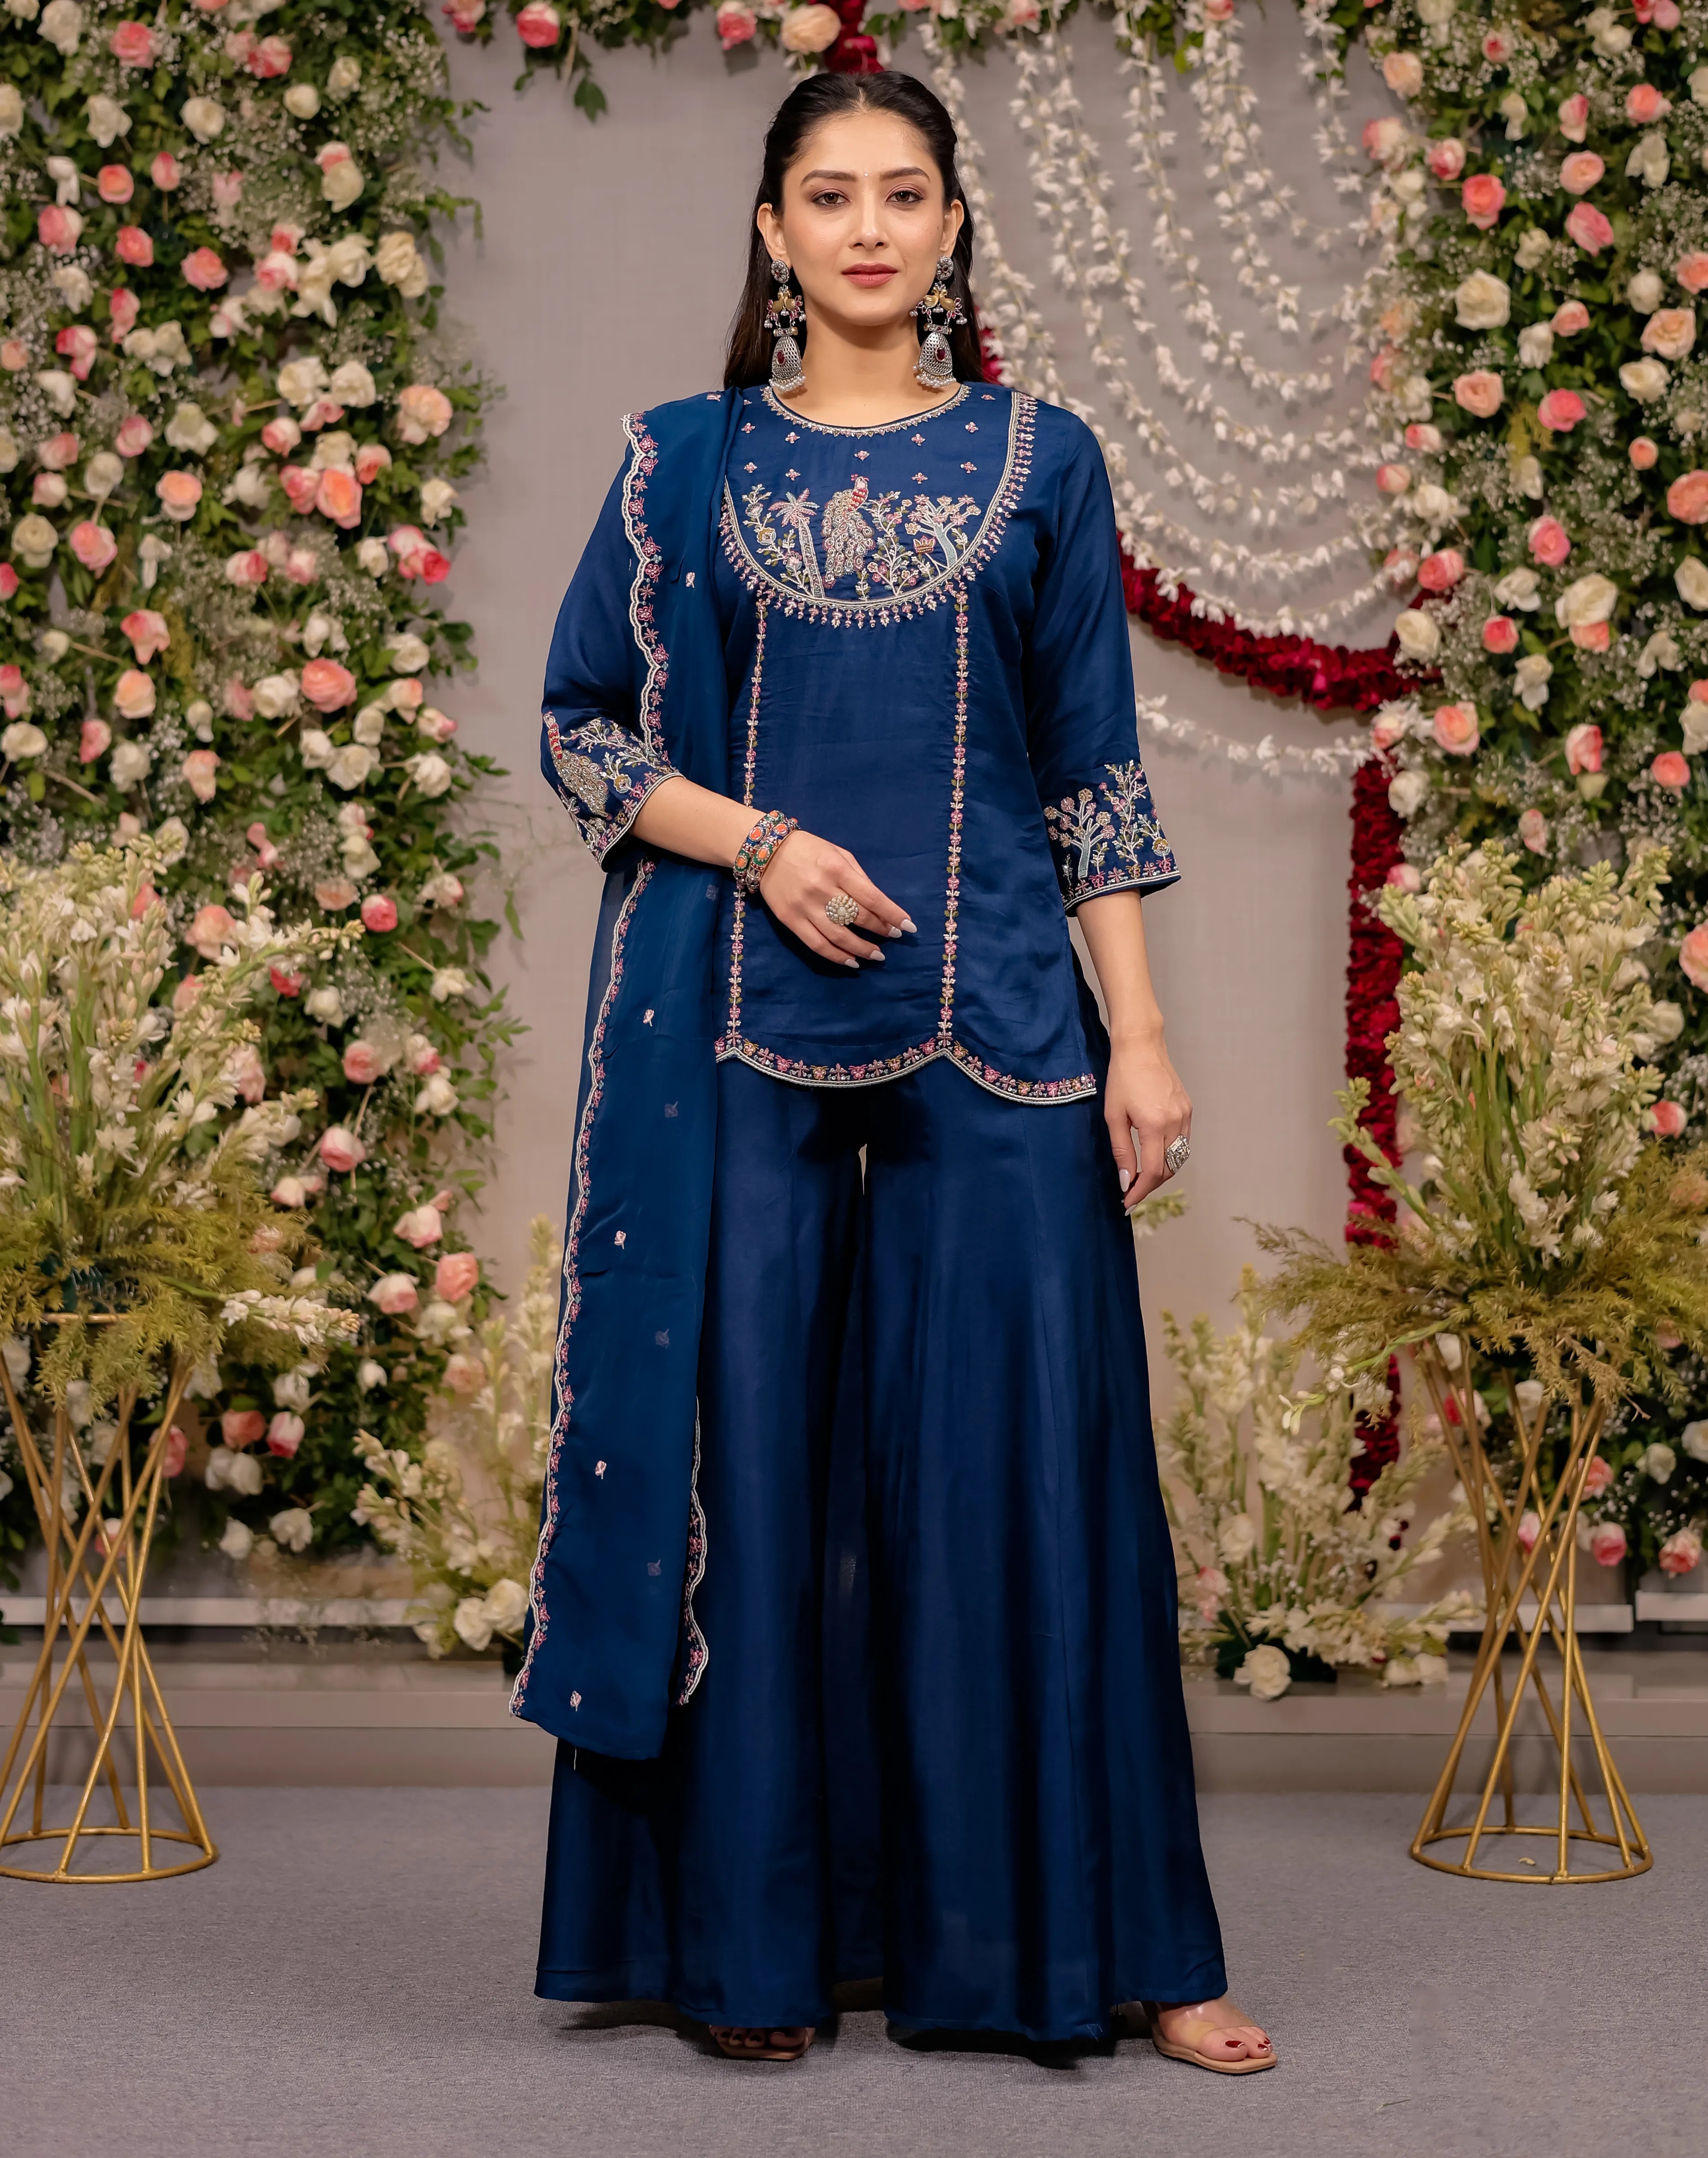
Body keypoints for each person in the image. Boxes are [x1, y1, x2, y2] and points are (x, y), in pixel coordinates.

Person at [511, 67, 1273, 2077]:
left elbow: (1091, 766)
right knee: (746, 1479)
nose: (866, 226)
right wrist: (755, 842)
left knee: (1034, 1480)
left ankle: (1112, 1948)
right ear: (768, 229)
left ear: (951, 229)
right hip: (743, 1025)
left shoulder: (1044, 457)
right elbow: (584, 729)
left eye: (904, 194)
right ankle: (750, 1947)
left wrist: (1146, 1036)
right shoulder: (680, 464)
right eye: (827, 194)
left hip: (1007, 1028)